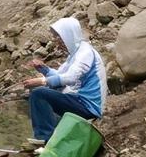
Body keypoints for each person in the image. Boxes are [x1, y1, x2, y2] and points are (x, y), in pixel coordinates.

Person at [19, 17, 107, 149]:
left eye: (58, 37)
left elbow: (69, 78)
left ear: (69, 35)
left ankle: (45, 139)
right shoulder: (74, 54)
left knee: (39, 94)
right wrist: (45, 69)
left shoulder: (85, 52)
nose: (56, 41)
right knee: (36, 94)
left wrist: (42, 81)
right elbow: (61, 76)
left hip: (88, 107)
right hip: (78, 100)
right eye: (55, 37)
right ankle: (52, 134)